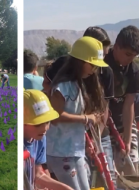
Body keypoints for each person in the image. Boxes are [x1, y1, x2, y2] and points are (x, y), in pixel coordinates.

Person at [46, 36, 108, 190]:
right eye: (92, 65)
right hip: (61, 152)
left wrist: (87, 141)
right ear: (80, 62)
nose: (95, 70)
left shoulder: (77, 84)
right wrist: (86, 118)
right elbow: (55, 116)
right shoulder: (62, 86)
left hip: (74, 149)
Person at [102, 26, 139, 176]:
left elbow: (129, 105)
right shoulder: (102, 66)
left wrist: (127, 139)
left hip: (124, 122)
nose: (130, 59)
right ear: (117, 46)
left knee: (131, 161)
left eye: (134, 56)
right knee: (107, 168)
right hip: (103, 125)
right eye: (127, 54)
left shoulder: (133, 71)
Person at [23, 89, 72, 190]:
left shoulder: (39, 138)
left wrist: (66, 188)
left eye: (47, 122)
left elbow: (38, 175)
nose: (45, 129)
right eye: (38, 124)